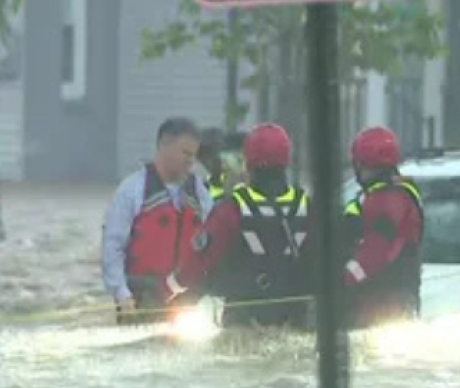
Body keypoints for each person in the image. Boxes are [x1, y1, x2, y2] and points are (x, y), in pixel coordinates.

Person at [163, 123, 312, 328]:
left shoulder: (232, 209)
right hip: (296, 318)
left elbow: (200, 259)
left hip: (243, 319)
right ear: (287, 159)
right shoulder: (307, 205)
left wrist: (170, 287)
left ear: (248, 162)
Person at [101, 117, 215, 323]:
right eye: (185, 153)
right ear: (164, 146)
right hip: (139, 299)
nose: (191, 161)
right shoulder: (132, 190)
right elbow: (113, 247)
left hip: (188, 299)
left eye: (194, 155)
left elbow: (213, 245)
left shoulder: (200, 194)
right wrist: (121, 294)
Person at [343, 126, 424, 328]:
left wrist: (344, 280)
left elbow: (375, 252)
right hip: (401, 300)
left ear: (361, 163)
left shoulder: (383, 200)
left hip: (377, 304)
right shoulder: (403, 193)